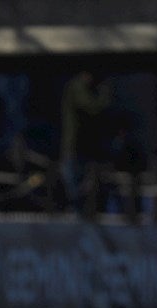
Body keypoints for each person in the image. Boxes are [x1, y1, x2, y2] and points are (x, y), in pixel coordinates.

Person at [60, 71, 111, 215]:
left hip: (89, 151)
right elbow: (92, 106)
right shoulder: (76, 87)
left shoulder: (91, 88)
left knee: (90, 191)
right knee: (75, 193)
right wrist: (104, 95)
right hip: (75, 150)